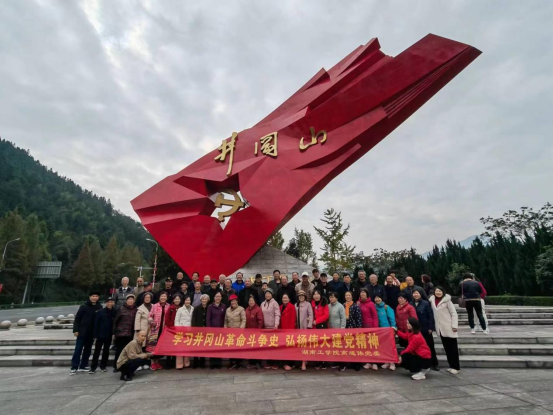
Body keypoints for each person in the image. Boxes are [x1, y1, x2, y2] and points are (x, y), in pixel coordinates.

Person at [430, 286, 460, 374]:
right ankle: (451, 366)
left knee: (453, 349)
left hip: (449, 327)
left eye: (440, 291)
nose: (438, 292)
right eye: (436, 291)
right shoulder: (432, 301)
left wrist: (454, 325)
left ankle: (456, 367)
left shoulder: (447, 301)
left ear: (443, 292)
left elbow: (454, 313)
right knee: (447, 349)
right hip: (440, 329)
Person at [411, 290, 439, 371]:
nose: (416, 295)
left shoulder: (426, 303)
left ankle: (434, 364)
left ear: (420, 294)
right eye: (414, 293)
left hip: (425, 329)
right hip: (415, 330)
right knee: (417, 348)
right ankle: (421, 364)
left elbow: (430, 316)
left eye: (417, 293)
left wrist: (430, 327)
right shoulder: (410, 303)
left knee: (430, 346)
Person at [89, 296, 115, 374]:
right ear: (106, 303)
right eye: (108, 302)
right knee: (97, 351)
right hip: (100, 335)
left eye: (111, 302)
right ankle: (93, 367)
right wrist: (95, 335)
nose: (110, 303)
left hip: (109, 335)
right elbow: (96, 324)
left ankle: (103, 366)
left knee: (106, 351)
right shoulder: (100, 312)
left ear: (113, 303)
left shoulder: (115, 312)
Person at [113, 294, 137, 372]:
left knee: (128, 351)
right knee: (119, 351)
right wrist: (114, 332)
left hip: (130, 334)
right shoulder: (121, 309)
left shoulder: (136, 310)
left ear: (134, 301)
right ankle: (117, 366)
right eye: (129, 299)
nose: (130, 301)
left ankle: (126, 366)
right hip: (121, 334)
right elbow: (115, 321)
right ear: (126, 301)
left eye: (132, 299)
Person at [147, 291, 170, 370]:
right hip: (155, 329)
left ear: (167, 298)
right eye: (162, 296)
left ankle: (157, 362)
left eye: (164, 296)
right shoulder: (154, 306)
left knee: (160, 347)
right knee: (152, 346)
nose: (163, 297)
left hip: (164, 330)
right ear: (159, 297)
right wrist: (151, 321)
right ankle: (152, 363)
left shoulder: (168, 306)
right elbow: (150, 316)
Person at [374, 294, 396, 371]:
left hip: (388, 330)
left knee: (390, 347)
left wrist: (393, 328)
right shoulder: (374, 307)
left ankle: (392, 362)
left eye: (379, 298)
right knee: (383, 347)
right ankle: (387, 362)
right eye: (376, 298)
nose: (377, 299)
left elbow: (392, 319)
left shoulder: (386, 307)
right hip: (379, 331)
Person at [357, 288, 378, 371]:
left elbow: (375, 316)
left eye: (364, 293)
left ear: (367, 294)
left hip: (370, 326)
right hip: (362, 327)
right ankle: (368, 361)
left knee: (372, 345)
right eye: (361, 293)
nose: (362, 294)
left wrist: (375, 328)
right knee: (365, 345)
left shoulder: (371, 304)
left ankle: (375, 362)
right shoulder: (358, 303)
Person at [224, 294, 246, 369]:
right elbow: (225, 321)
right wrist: (225, 329)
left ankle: (239, 362)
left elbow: (243, 320)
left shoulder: (241, 309)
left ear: (237, 301)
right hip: (230, 332)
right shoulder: (227, 310)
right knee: (231, 347)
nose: (233, 302)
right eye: (232, 301)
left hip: (238, 331)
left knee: (238, 347)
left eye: (234, 301)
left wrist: (241, 329)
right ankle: (232, 362)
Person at [261, 288, 280, 369]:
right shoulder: (262, 304)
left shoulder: (275, 303)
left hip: (273, 328)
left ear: (272, 295)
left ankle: (275, 363)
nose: (267, 295)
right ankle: (268, 362)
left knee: (273, 345)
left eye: (269, 294)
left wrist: (276, 324)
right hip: (265, 328)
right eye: (266, 294)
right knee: (267, 346)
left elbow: (277, 314)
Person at [206, 291, 226, 369]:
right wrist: (209, 329)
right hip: (212, 329)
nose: (218, 298)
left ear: (221, 298)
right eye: (216, 296)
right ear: (214, 298)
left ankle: (218, 363)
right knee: (212, 347)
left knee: (219, 346)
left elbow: (225, 318)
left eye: (219, 296)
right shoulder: (210, 306)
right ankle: (212, 363)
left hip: (220, 329)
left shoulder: (223, 306)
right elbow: (208, 318)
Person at [344, 291, 363, 371]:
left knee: (355, 347)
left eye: (349, 295)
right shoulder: (343, 305)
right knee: (348, 346)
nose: (348, 297)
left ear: (352, 297)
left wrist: (359, 328)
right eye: (346, 295)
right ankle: (350, 363)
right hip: (346, 328)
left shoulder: (355, 306)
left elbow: (359, 318)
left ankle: (357, 364)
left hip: (354, 328)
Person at [328, 292, 347, 371]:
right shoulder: (328, 306)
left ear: (336, 298)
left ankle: (342, 364)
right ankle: (336, 362)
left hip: (339, 329)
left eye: (333, 297)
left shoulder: (340, 306)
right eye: (330, 297)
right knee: (334, 347)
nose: (331, 298)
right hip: (331, 330)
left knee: (340, 347)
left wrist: (342, 328)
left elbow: (343, 318)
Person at [295, 290, 313, 371]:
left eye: (302, 296)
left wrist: (309, 326)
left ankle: (303, 362)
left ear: (305, 297)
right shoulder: (296, 305)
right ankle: (303, 360)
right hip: (297, 328)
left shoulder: (308, 304)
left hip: (305, 327)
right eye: (299, 296)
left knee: (304, 345)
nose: (301, 297)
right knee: (299, 345)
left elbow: (311, 315)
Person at [164, 293, 183, 369]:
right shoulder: (170, 308)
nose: (177, 300)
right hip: (171, 330)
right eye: (176, 299)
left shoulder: (182, 308)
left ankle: (175, 362)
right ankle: (168, 363)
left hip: (180, 330)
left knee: (177, 346)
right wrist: (171, 327)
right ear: (173, 300)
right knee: (170, 346)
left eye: (178, 299)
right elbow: (167, 319)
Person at [311, 289, 329, 370]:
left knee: (323, 345)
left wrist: (317, 321)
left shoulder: (324, 303)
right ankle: (317, 362)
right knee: (316, 345)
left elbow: (326, 315)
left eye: (317, 294)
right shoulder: (312, 304)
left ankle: (324, 362)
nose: (316, 296)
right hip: (314, 327)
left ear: (320, 295)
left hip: (322, 326)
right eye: (314, 294)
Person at [279, 293, 297, 371]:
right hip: (282, 329)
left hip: (289, 330)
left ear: (289, 299)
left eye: (286, 298)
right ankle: (285, 363)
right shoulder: (280, 307)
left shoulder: (292, 307)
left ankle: (291, 364)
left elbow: (293, 320)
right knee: (284, 348)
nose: (284, 299)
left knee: (290, 348)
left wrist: (291, 331)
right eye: (283, 298)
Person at [191, 294, 210, 369]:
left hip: (205, 330)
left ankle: (202, 362)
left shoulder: (209, 308)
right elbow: (193, 319)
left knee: (203, 346)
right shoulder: (196, 308)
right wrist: (195, 329)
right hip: (197, 330)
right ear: (201, 300)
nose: (204, 300)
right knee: (196, 346)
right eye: (203, 299)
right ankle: (195, 362)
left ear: (207, 300)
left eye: (206, 299)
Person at [175, 295, 194, 369]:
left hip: (190, 331)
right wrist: (178, 329)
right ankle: (179, 364)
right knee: (180, 348)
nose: (187, 301)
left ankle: (187, 363)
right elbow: (176, 320)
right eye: (186, 300)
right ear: (184, 301)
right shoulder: (180, 309)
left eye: (189, 300)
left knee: (187, 347)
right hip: (181, 330)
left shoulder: (193, 308)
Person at [245, 294, 264, 369]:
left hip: (256, 332)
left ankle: (258, 362)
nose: (251, 302)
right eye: (250, 301)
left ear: (255, 301)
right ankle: (251, 362)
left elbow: (260, 321)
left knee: (257, 348)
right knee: (250, 347)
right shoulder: (246, 309)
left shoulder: (258, 309)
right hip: (249, 332)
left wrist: (258, 330)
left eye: (252, 301)